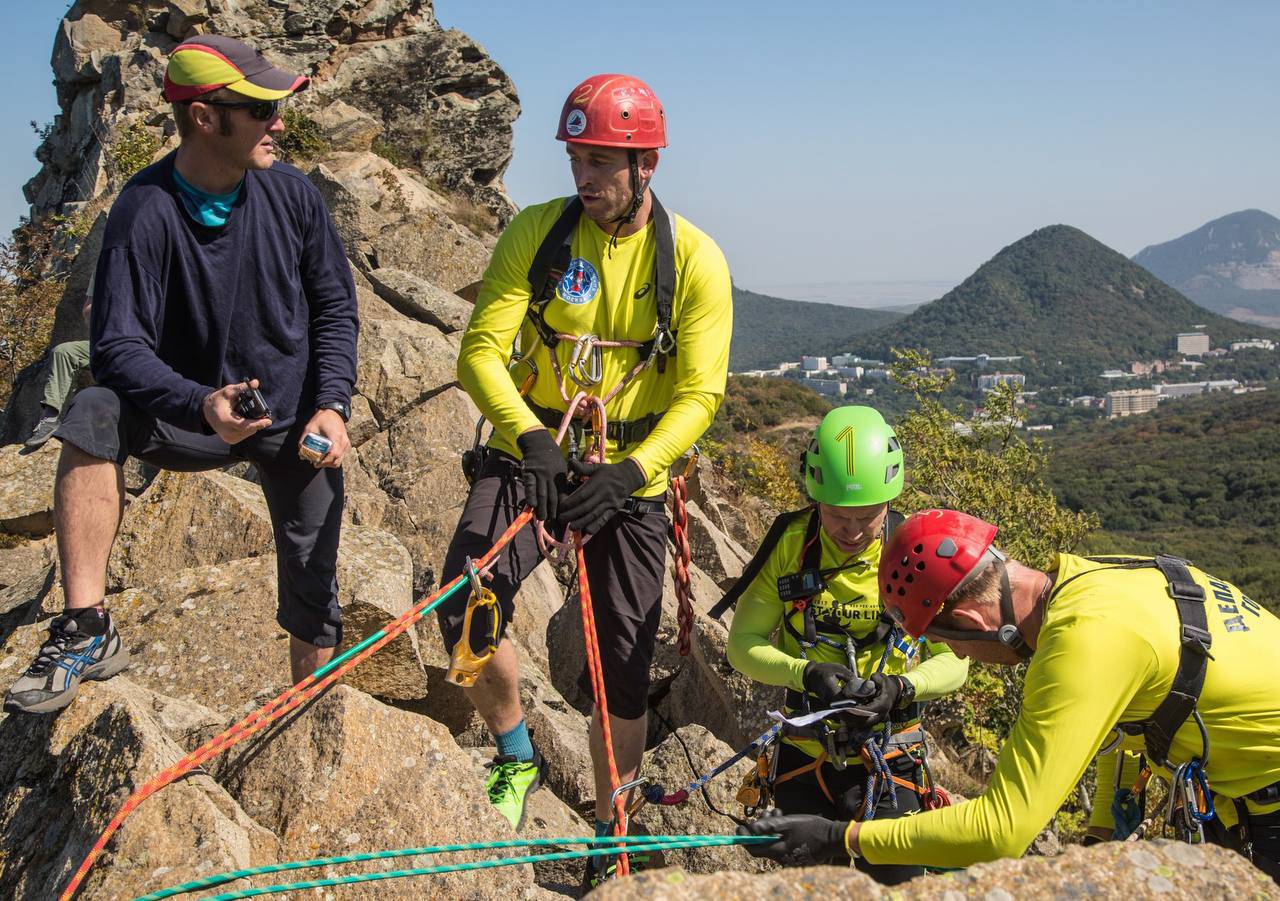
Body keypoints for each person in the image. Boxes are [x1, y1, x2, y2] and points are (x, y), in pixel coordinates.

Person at [4, 35, 358, 715]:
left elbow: (337, 310)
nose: (278, 120)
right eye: (259, 107)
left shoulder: (293, 196)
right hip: (189, 414)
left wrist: (333, 404)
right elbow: (116, 348)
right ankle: (85, 626)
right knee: (93, 411)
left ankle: (308, 722)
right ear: (203, 116)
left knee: (316, 607)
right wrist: (201, 402)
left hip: (291, 421)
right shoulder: (144, 209)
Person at [438, 73, 732, 871]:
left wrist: (633, 469)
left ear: (647, 166)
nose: (586, 177)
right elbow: (479, 354)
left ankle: (614, 832)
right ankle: (515, 752)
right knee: (468, 595)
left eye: (604, 161)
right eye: (577, 159)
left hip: (627, 473)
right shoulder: (537, 235)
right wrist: (531, 439)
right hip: (534, 446)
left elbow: (701, 394)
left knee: (624, 671)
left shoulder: (695, 261)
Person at [741, 509, 1280, 882]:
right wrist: (1096, 835)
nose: (966, 659)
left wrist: (840, 836)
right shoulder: (1090, 579)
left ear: (974, 620)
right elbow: (1129, 713)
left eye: (952, 643)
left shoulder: (1081, 646)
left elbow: (1002, 830)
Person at [724, 407, 968, 885]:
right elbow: (743, 645)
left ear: (890, 502)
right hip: (804, 754)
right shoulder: (791, 547)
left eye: (868, 517)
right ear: (815, 498)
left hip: (890, 755)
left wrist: (900, 687)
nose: (852, 532)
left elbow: (956, 665)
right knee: (813, 890)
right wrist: (805, 673)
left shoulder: (916, 553)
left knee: (900, 883)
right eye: (836, 515)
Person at [24, 278, 94, 448]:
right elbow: (87, 310)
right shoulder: (102, 268)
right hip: (104, 343)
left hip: (142, 347)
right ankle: (49, 419)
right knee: (64, 352)